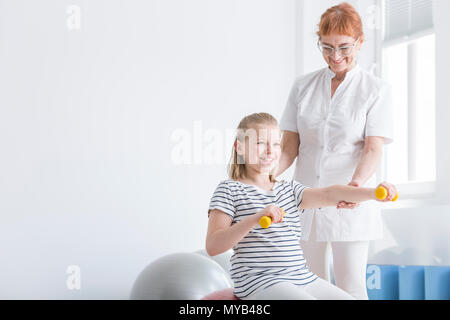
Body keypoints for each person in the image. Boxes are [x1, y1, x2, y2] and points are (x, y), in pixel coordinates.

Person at [205, 113, 397, 300]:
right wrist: (255, 218)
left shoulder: (289, 189)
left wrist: (374, 193)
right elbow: (213, 246)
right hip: (260, 281)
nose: (270, 151)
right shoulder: (229, 189)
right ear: (240, 147)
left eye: (276, 144)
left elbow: (330, 193)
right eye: (260, 143)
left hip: (302, 278)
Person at [277, 2, 394, 299]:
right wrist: (264, 179)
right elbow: (290, 147)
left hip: (348, 205)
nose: (335, 56)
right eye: (326, 47)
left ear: (360, 42)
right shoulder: (303, 86)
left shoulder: (375, 89)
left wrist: (355, 186)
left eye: (344, 47)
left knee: (350, 288)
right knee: (307, 288)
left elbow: (372, 147)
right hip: (305, 202)